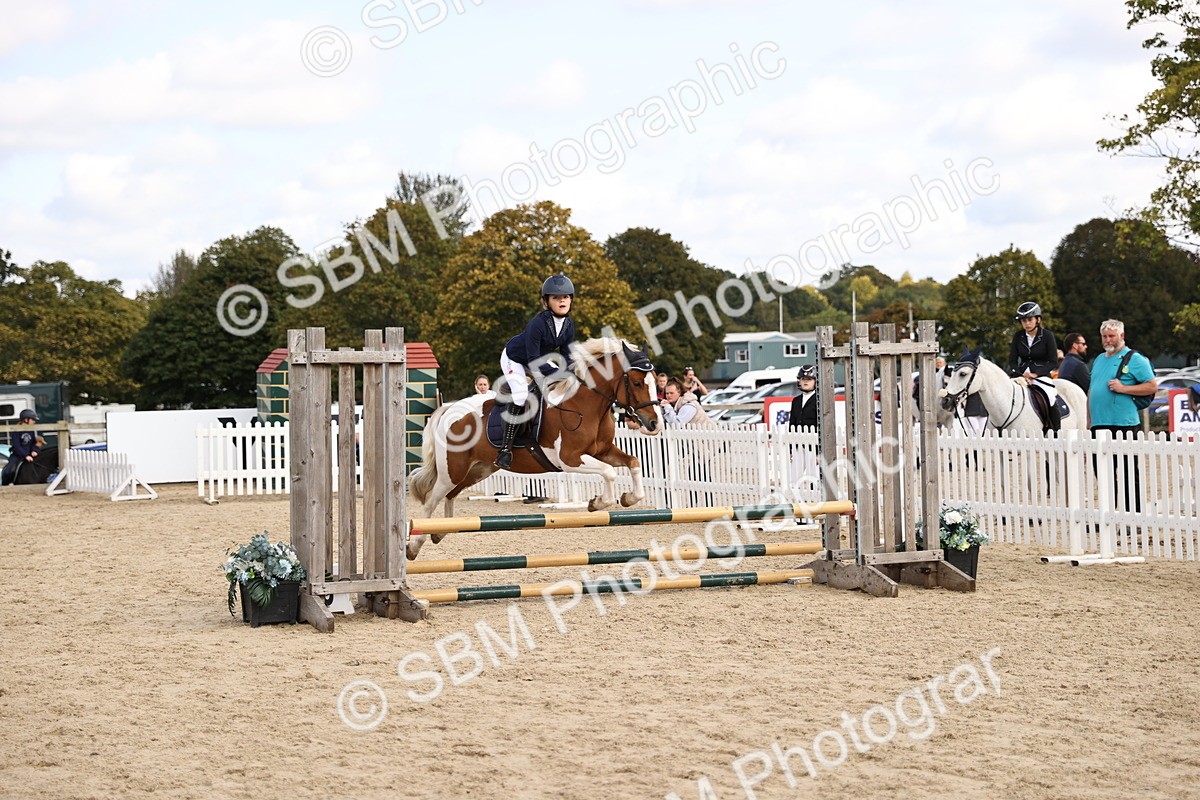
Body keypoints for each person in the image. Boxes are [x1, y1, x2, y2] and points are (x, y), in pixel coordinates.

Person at [495, 273, 576, 469]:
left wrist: (571, 371)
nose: (562, 300)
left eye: (565, 297)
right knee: (521, 395)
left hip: (538, 359)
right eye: (556, 297)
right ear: (547, 301)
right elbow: (532, 360)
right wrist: (558, 373)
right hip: (515, 358)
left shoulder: (568, 325)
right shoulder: (538, 324)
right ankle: (505, 449)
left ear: (571, 299)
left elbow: (566, 356)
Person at [1089, 319, 1157, 513]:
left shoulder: (1135, 359)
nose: (1108, 340)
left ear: (1122, 336)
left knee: (1128, 473)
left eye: (1112, 336)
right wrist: (1088, 420)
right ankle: (1108, 514)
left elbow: (1152, 386)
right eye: (1104, 336)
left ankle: (1132, 515)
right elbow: (1092, 390)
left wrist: (1124, 388)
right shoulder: (1100, 359)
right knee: (1102, 473)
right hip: (1099, 425)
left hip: (1124, 424)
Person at [1008, 301, 1060, 430]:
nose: (1026, 323)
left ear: (1038, 319)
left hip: (1040, 375)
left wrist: (1035, 374)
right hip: (1021, 374)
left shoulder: (1047, 336)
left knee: (1050, 397)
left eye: (1029, 320)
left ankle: (1054, 429)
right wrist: (1021, 374)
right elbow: (1012, 361)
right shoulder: (1018, 336)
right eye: (1023, 321)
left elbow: (1053, 361)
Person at [1, 408, 41, 485]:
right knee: (8, 471)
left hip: (30, 455)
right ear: (26, 420)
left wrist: (34, 450)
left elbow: (33, 442)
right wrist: (25, 455)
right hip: (18, 456)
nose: (34, 422)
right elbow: (17, 446)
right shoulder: (16, 431)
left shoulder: (31, 430)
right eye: (32, 420)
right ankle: (6, 485)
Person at [788, 365, 818, 429]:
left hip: (814, 437)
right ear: (799, 381)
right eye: (803, 379)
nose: (805, 381)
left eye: (809, 379)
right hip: (798, 437)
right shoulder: (795, 401)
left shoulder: (819, 400)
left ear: (815, 381)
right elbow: (792, 424)